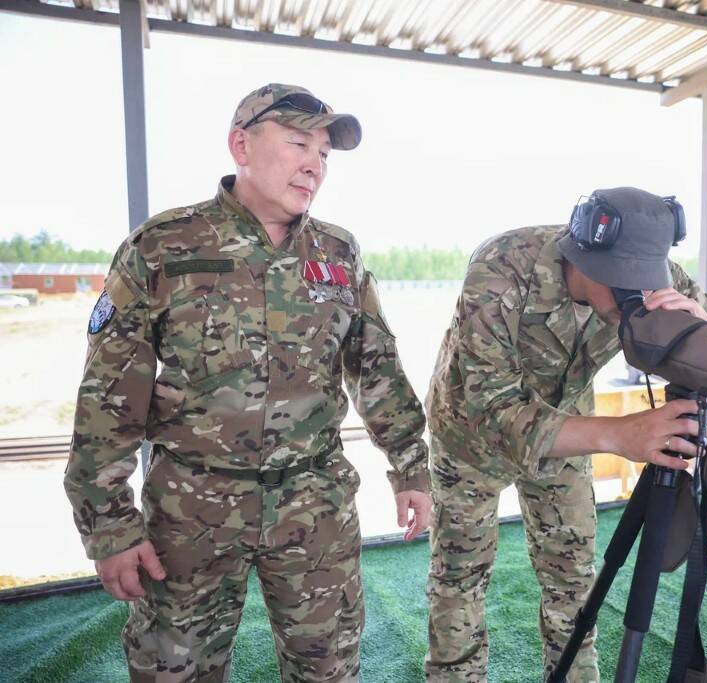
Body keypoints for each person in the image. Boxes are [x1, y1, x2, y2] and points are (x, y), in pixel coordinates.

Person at [64, 83, 432, 682]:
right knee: (175, 672)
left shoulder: (339, 253)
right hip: (190, 510)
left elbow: (377, 367)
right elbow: (108, 396)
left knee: (328, 669)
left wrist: (411, 465)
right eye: (297, 143)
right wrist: (108, 523)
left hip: (314, 505)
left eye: (324, 154)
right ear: (241, 144)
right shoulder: (163, 246)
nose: (314, 163)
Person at [424, 187, 707, 681]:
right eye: (624, 281)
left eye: (644, 280)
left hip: (569, 429)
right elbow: (495, 409)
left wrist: (699, 333)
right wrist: (619, 435)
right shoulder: (502, 268)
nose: (637, 295)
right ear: (583, 256)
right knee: (460, 576)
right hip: (471, 437)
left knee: (572, 575)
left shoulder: (658, 277)